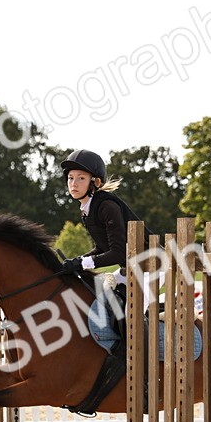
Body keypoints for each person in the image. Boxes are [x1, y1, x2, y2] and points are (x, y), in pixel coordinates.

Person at [58, 149, 154, 355]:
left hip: (154, 267)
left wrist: (82, 264)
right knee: (104, 299)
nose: (73, 184)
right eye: (70, 178)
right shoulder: (88, 208)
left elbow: (118, 252)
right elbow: (103, 248)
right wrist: (77, 260)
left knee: (132, 313)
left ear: (96, 182)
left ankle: (143, 365)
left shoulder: (107, 206)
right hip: (131, 268)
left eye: (81, 178)